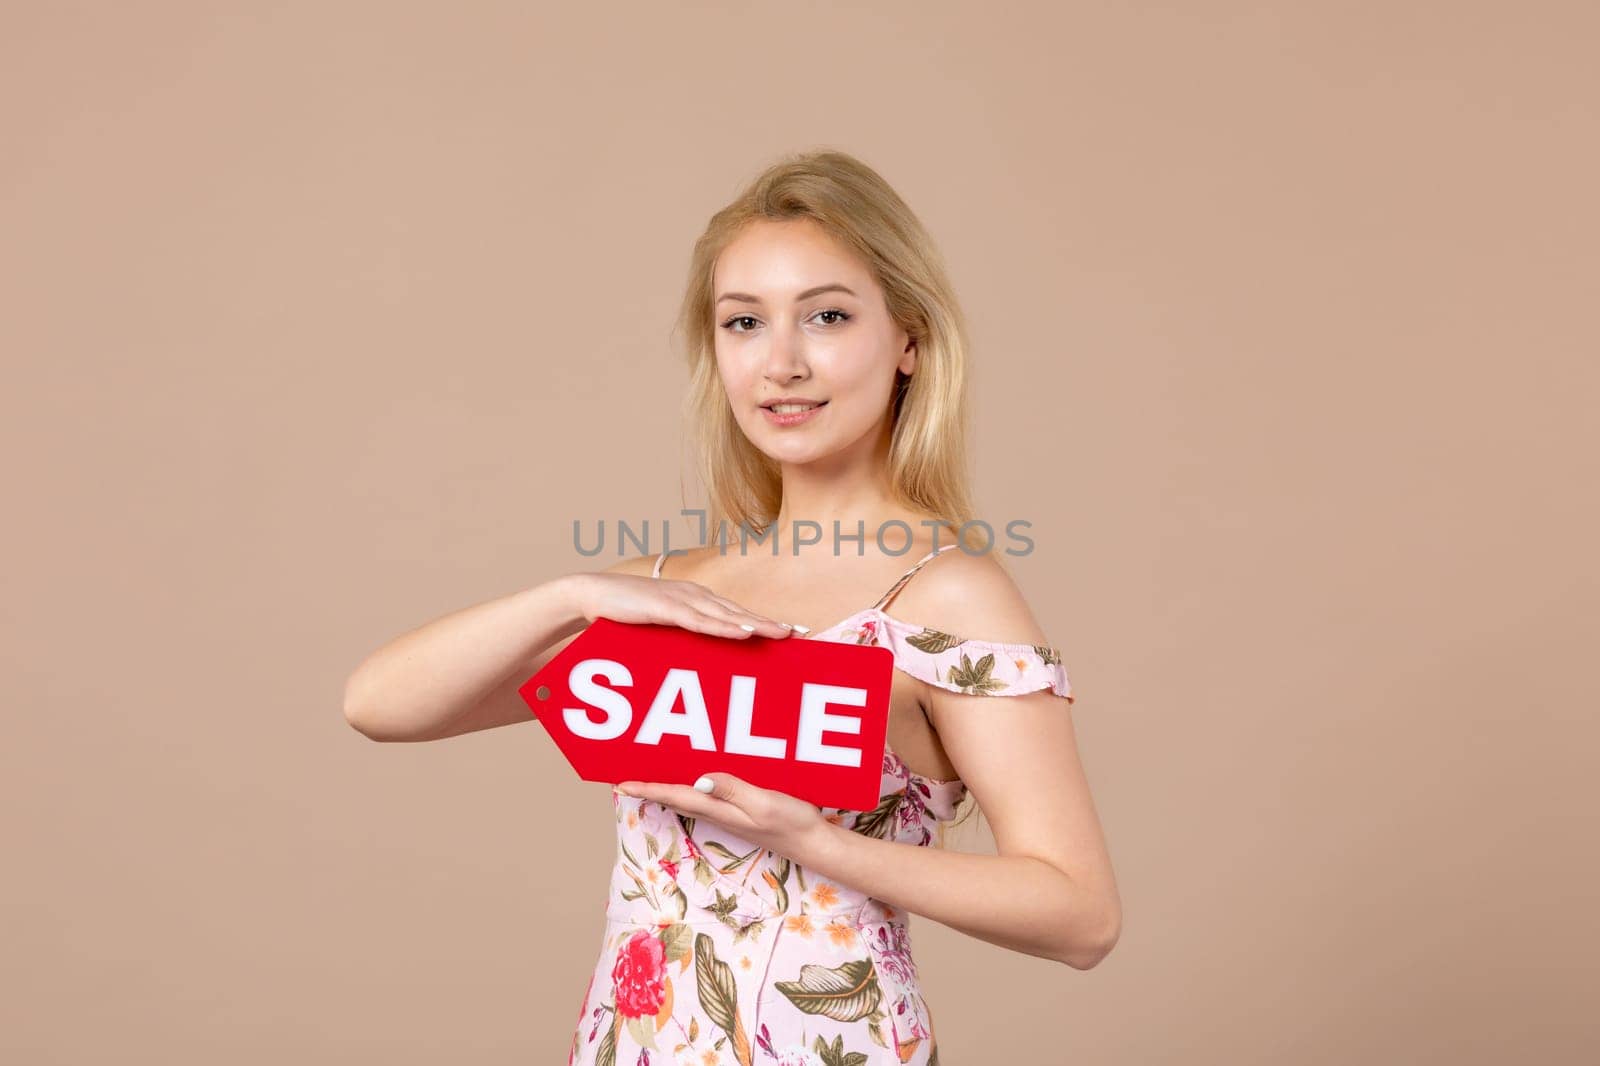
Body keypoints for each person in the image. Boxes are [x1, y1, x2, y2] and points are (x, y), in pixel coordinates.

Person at [343, 149, 1120, 1066]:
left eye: (827, 316)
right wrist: (572, 595)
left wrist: (814, 843)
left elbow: (1079, 915)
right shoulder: (670, 592)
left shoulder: (947, 593)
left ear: (908, 339)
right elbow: (378, 705)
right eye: (744, 322)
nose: (782, 362)